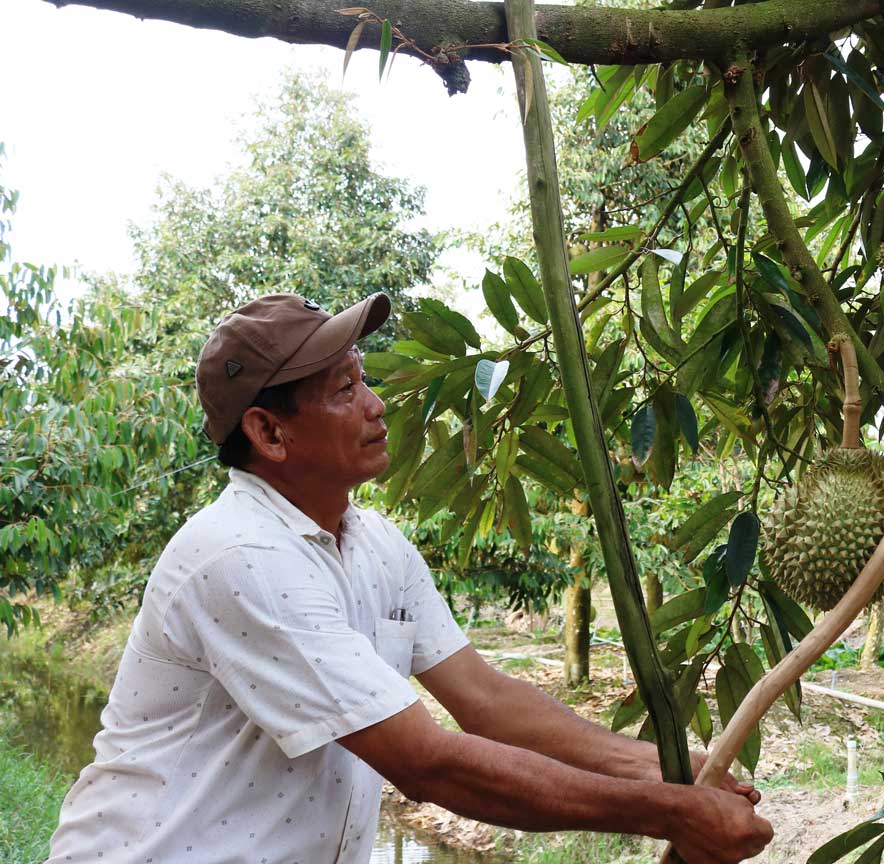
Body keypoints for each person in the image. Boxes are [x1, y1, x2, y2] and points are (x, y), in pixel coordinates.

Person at [46, 293, 773, 864]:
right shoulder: (239, 556)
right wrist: (669, 814)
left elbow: (485, 699)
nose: (376, 404)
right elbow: (428, 764)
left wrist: (657, 769)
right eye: (342, 390)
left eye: (363, 379)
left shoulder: (377, 545)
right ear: (269, 434)